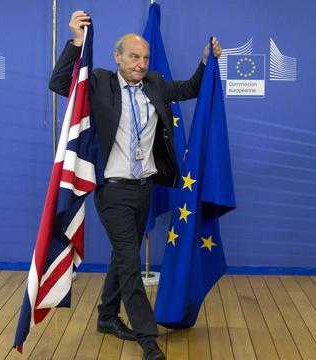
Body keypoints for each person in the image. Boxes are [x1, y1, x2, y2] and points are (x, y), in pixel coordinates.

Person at [49, 11, 222, 360]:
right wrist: (77, 41)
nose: (140, 63)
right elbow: (59, 83)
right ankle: (148, 341)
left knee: (121, 257)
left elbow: (189, 88)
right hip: (112, 191)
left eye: (144, 58)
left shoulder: (156, 84)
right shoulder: (98, 82)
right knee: (130, 265)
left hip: (145, 189)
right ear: (118, 57)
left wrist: (205, 63)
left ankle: (107, 317)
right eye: (133, 57)